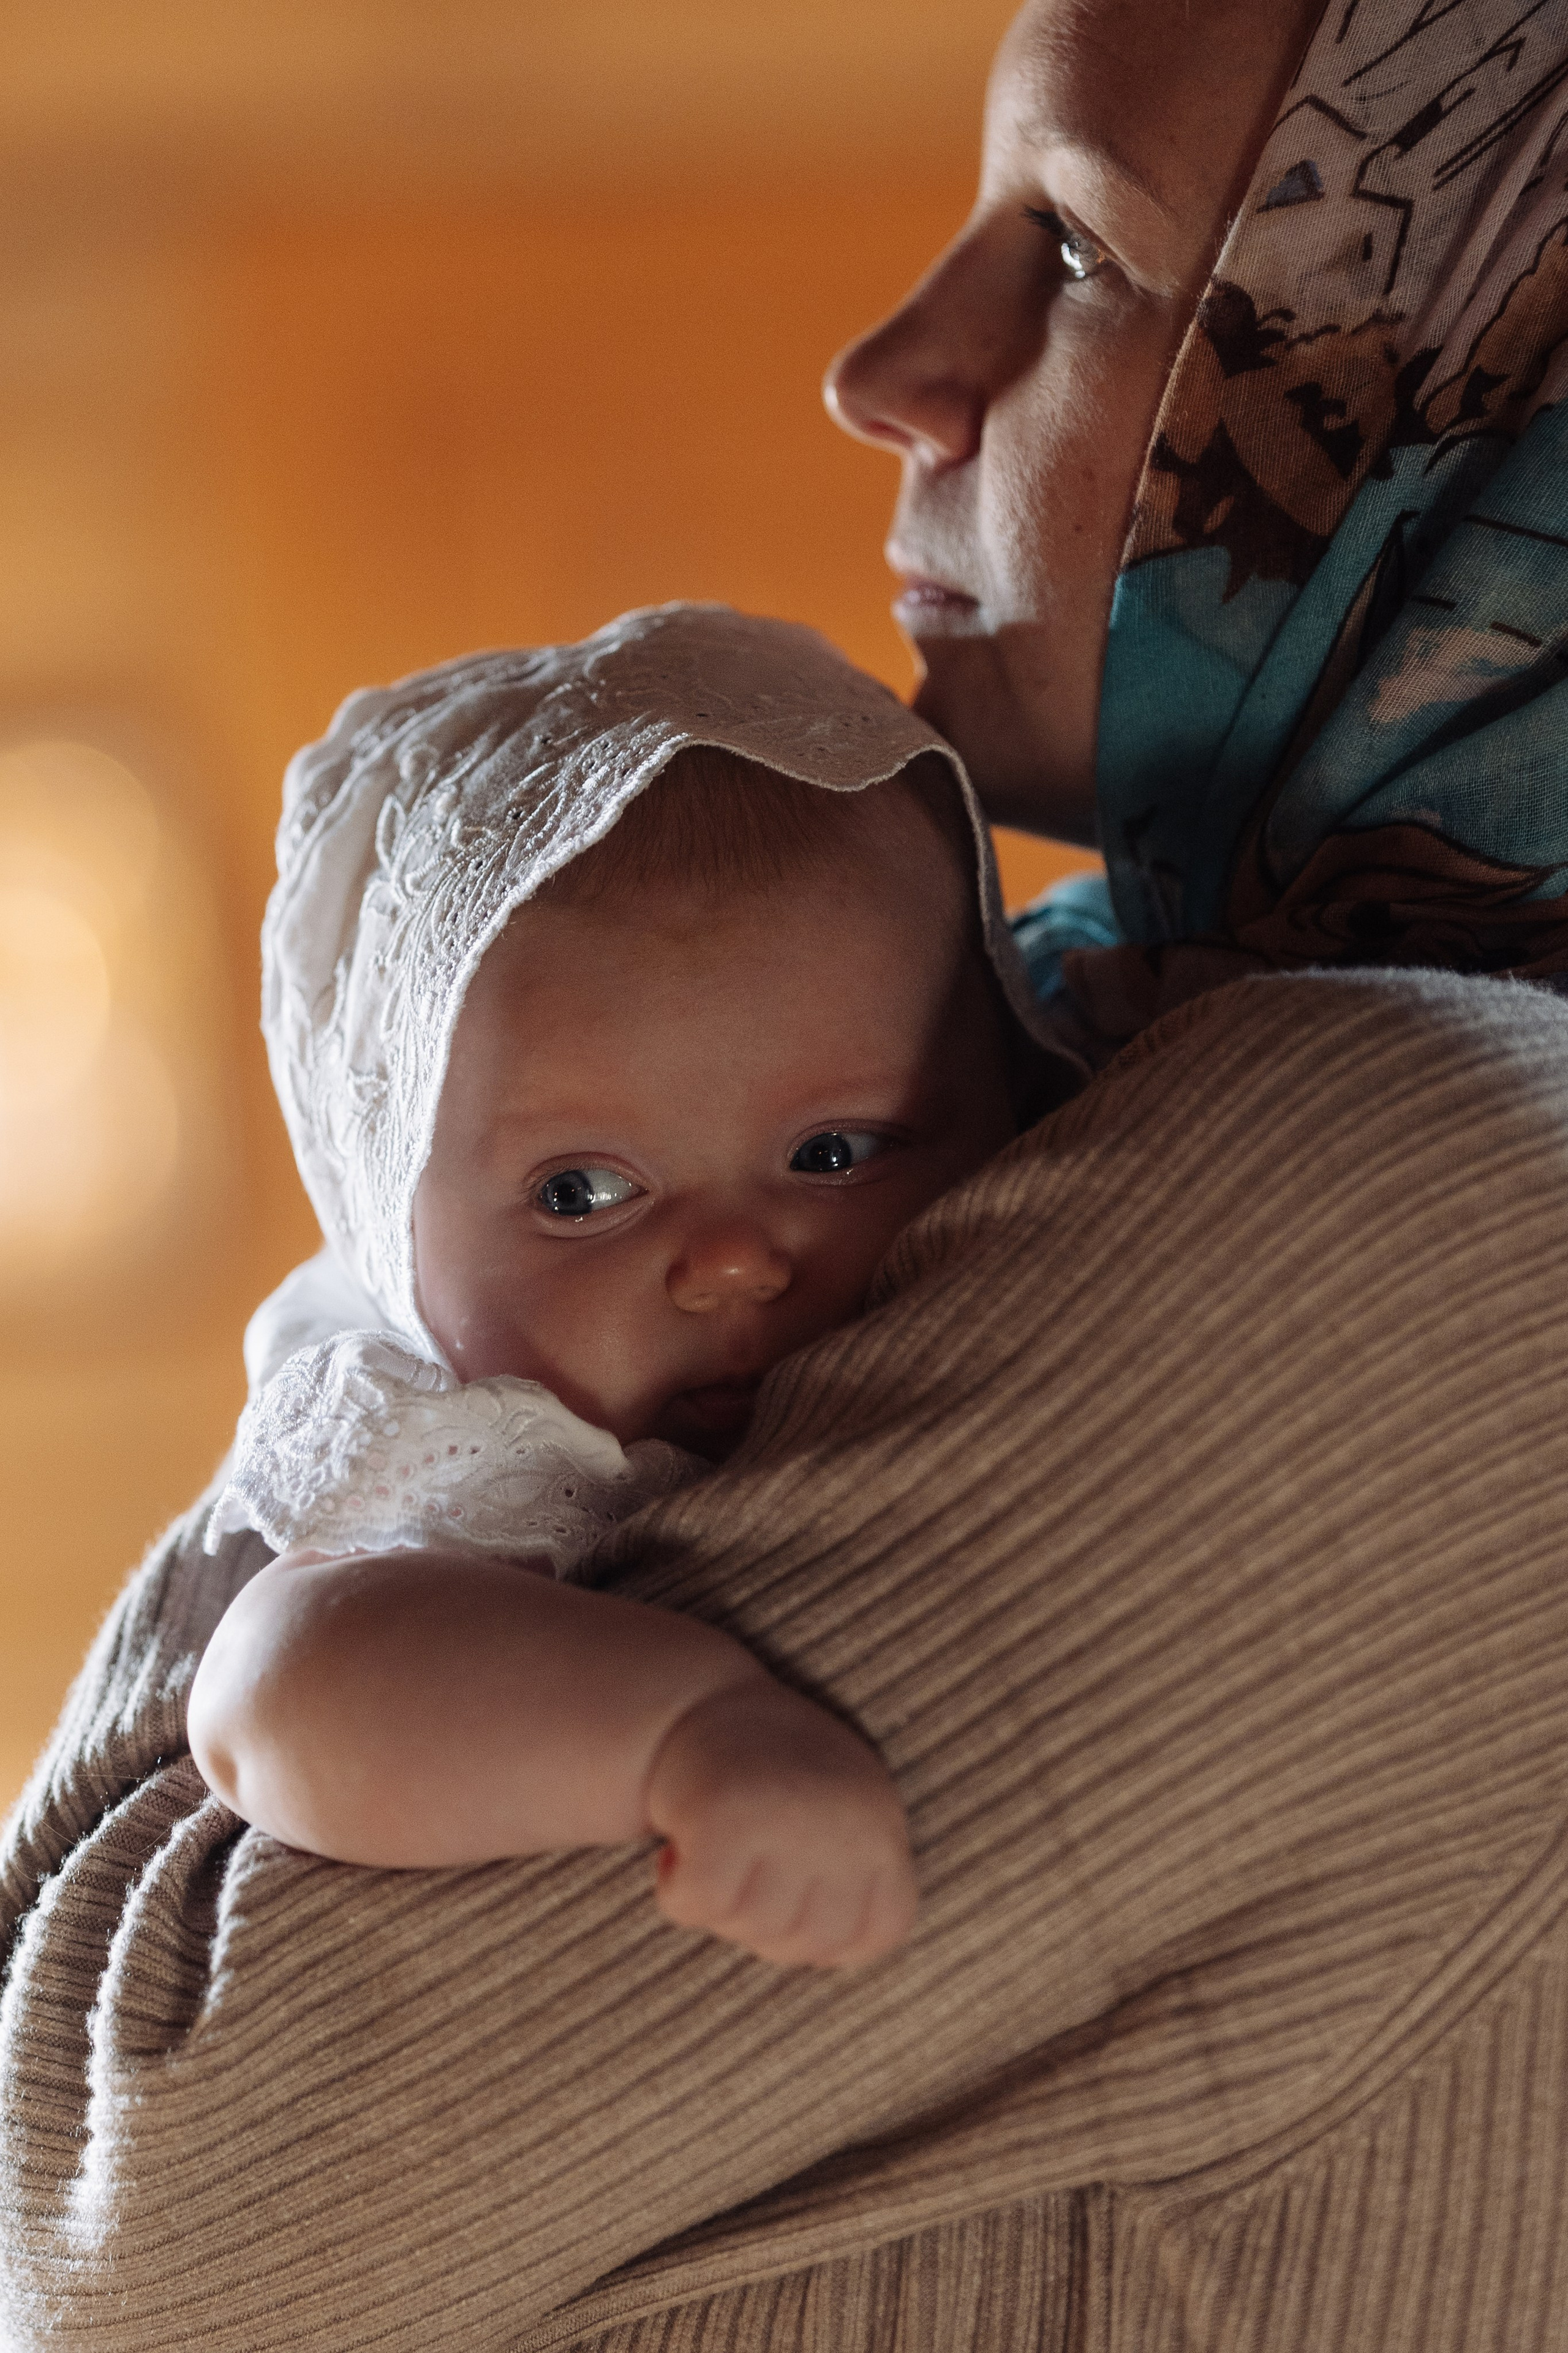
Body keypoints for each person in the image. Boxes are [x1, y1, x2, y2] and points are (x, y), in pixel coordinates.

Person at [6, 2, 1568, 2347]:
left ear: (1470, 335)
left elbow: (126, 2215)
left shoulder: (1413, 1198)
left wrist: (332, 1390)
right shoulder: (1101, 1027)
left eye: (1072, 244)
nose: (893, 364)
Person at [185, 605, 1055, 1971]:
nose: (727, 1262)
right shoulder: (471, 1442)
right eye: (579, 1194)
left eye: (831, 1153)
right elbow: (271, 1690)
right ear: (389, 1228)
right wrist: (678, 1730)